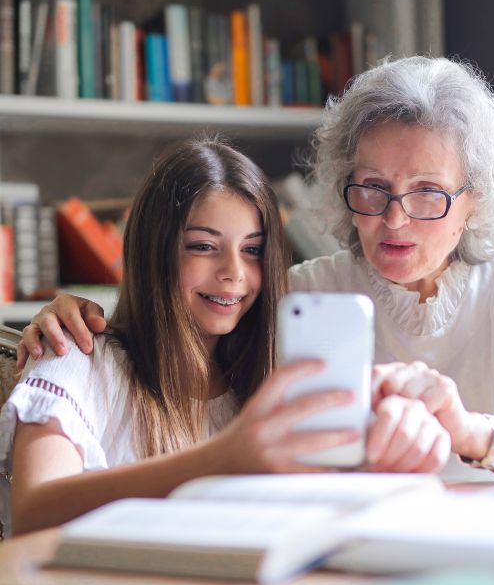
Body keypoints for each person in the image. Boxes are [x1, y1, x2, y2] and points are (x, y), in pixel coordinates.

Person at [18, 57, 494, 484]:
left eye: (428, 193)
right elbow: (180, 334)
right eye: (373, 188)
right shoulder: (300, 294)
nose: (394, 220)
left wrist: (469, 432)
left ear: (475, 200)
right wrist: (72, 315)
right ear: (342, 183)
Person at [0, 136, 447, 537]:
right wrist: (221, 459)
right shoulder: (75, 357)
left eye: (252, 250)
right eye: (203, 246)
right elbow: (34, 513)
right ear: (154, 251)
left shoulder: (267, 382)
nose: (234, 273)